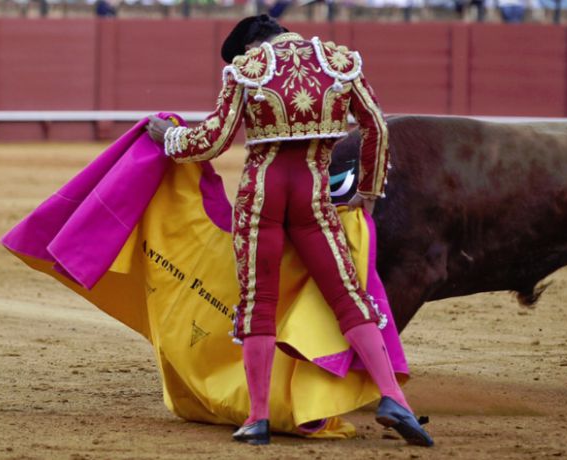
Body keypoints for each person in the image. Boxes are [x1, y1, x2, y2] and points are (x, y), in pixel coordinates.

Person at [146, 15, 433, 447]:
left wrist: (171, 137)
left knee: (259, 302)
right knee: (348, 297)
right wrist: (369, 191)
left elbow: (215, 140)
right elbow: (376, 124)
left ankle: (258, 418)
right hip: (314, 192)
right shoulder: (339, 61)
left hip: (263, 194)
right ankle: (393, 398)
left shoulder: (247, 68)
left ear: (249, 46)